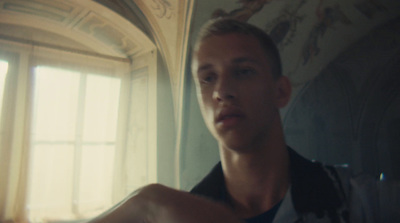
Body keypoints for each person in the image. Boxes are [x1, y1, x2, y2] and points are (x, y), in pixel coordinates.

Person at [87, 18, 378, 223]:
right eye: (207, 78)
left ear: (280, 91)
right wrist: (146, 203)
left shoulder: (356, 199)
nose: (222, 92)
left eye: (244, 71)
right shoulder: (184, 215)